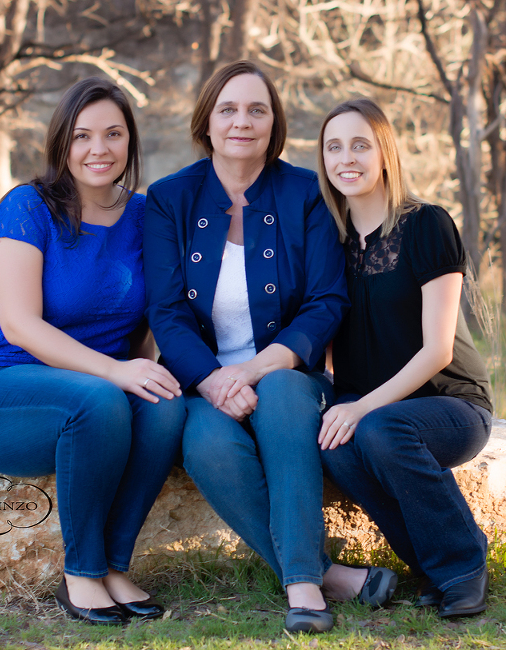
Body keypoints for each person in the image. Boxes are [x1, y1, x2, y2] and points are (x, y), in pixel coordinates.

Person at [144, 61, 396, 634]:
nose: (242, 121)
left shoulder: (306, 193)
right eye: (228, 109)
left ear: (274, 123)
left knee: (282, 395)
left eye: (257, 109)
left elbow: (327, 301)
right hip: (202, 380)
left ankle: (302, 587)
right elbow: (166, 312)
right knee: (204, 441)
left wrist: (255, 369)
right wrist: (211, 380)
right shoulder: (168, 199)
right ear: (206, 120)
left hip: (285, 371)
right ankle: (327, 575)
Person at [0, 77, 185, 626]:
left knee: (165, 402)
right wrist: (115, 372)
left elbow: (151, 315)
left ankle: (114, 566)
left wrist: (145, 368)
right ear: (62, 143)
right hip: (1, 390)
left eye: (113, 134)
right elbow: (20, 325)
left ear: (130, 142)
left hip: (95, 391)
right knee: (101, 398)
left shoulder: (146, 216)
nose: (98, 149)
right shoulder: (27, 207)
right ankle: (80, 573)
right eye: (82, 136)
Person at [316, 97, 493, 618]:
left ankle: (463, 565)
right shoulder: (328, 241)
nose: (346, 157)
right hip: (372, 406)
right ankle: (430, 570)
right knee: (335, 444)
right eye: (333, 147)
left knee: (375, 430)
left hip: (450, 404)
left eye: (359, 145)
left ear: (384, 153)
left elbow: (438, 350)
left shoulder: (427, 225)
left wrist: (360, 407)